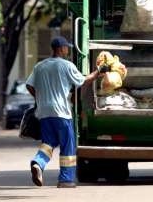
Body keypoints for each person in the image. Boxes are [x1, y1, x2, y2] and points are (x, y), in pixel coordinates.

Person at [26, 36, 100, 188]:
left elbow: (29, 85)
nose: (68, 50)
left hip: (44, 112)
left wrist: (40, 98)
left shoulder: (39, 66)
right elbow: (83, 81)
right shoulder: (66, 65)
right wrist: (98, 72)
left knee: (48, 143)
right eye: (67, 47)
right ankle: (66, 179)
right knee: (67, 146)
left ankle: (38, 163)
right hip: (61, 113)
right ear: (61, 49)